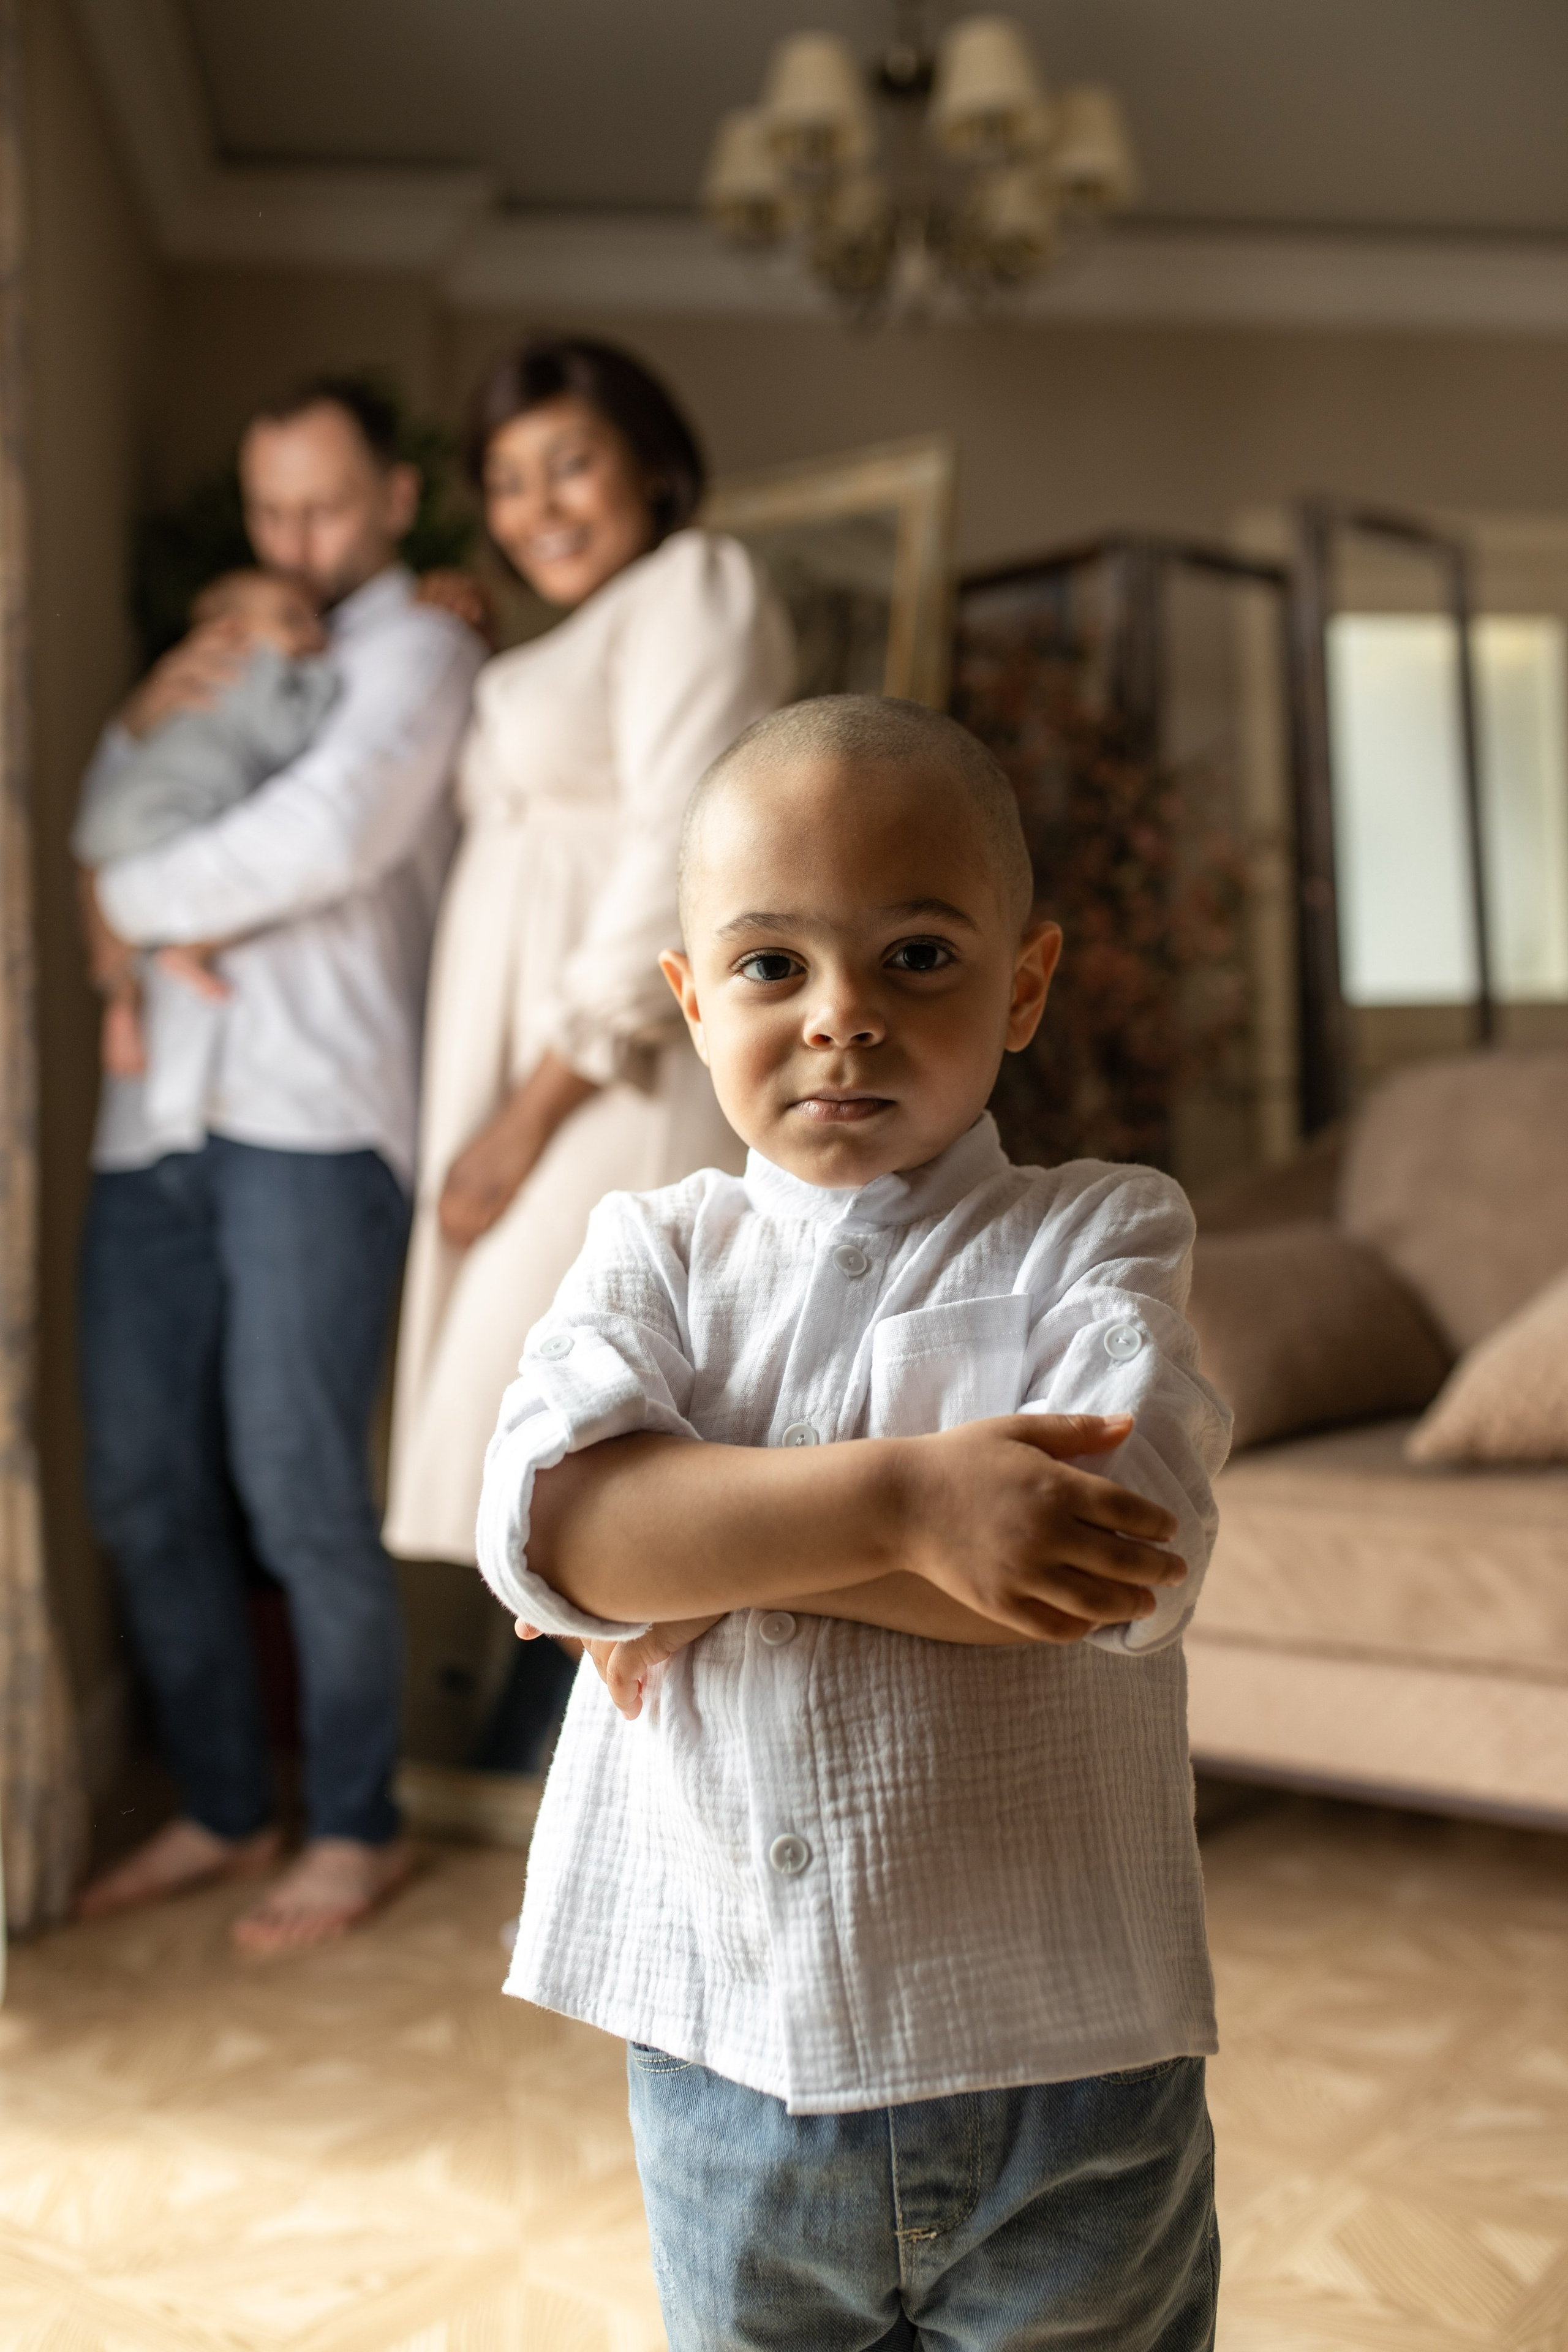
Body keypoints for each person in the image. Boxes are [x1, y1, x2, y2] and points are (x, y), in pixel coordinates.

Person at [479, 696, 1232, 2351]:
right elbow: (557, 1530)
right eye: (772, 968)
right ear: (689, 1001)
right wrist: (910, 1500)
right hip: (731, 2053)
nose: (840, 1020)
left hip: (1071, 2065)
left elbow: (1114, 1559)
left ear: (1023, 983)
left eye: (916, 957)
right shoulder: (653, 1255)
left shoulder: (1096, 1236)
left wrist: (725, 1555)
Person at [74, 378, 486, 1951]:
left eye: (325, 506)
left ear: (394, 497)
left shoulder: (424, 649)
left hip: (315, 1118)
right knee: (139, 1473)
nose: (296, 540)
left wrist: (120, 908)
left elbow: (325, 840)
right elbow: (126, 792)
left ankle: (357, 1823)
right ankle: (226, 1802)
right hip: (154, 1118)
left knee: (300, 1481)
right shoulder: (229, 634)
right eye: (269, 510)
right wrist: (131, 745)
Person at [382, 339, 793, 1751]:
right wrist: (467, 640)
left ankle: (601, 1756)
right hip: (522, 1057)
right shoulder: (570, 627)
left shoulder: (698, 583)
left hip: (608, 1066)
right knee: (545, 1405)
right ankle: (563, 1745)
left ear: (647, 463)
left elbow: (683, 838)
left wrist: (529, 1107)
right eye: (504, 480)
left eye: (570, 463)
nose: (538, 504)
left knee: (575, 1394)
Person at [74, 568, 339, 1087]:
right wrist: (328, 680)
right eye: (292, 621)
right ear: (232, 633)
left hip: (112, 820)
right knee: (247, 887)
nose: (313, 636)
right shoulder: (253, 668)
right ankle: (190, 948)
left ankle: (122, 1005)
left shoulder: (196, 683)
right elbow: (285, 733)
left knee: (124, 930)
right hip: (161, 814)